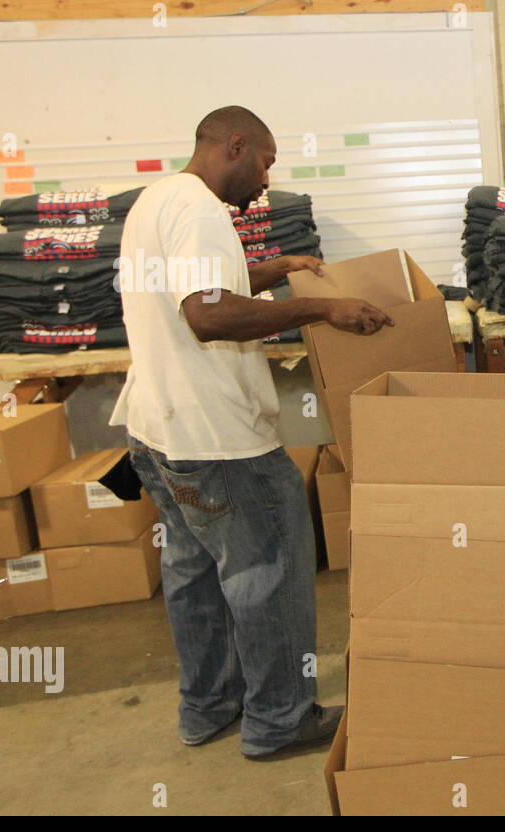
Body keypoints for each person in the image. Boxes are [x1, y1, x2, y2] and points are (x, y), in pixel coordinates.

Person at [109, 105, 391, 759]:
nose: (267, 179)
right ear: (235, 145)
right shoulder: (203, 210)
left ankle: (208, 707)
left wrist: (275, 267)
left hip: (158, 430)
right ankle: (280, 718)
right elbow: (208, 315)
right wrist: (325, 306)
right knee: (270, 568)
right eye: (264, 161)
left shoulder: (157, 199)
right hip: (218, 440)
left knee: (194, 572)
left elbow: (197, 289)